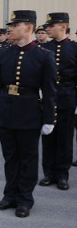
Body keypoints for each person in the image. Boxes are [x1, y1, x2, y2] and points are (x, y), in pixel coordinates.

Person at [0, 10, 57, 218]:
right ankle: (9, 195)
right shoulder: (2, 53)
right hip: (6, 111)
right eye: (10, 25)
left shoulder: (44, 56)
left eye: (15, 25)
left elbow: (49, 90)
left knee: (28, 158)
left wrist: (49, 119)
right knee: (10, 157)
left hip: (29, 112)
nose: (10, 28)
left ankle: (25, 199)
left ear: (28, 27)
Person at [39, 13, 76, 191]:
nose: (48, 28)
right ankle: (48, 172)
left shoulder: (74, 48)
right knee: (48, 137)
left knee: (65, 138)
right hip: (47, 97)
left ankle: (62, 174)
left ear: (63, 26)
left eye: (51, 25)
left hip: (67, 97)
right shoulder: (43, 48)